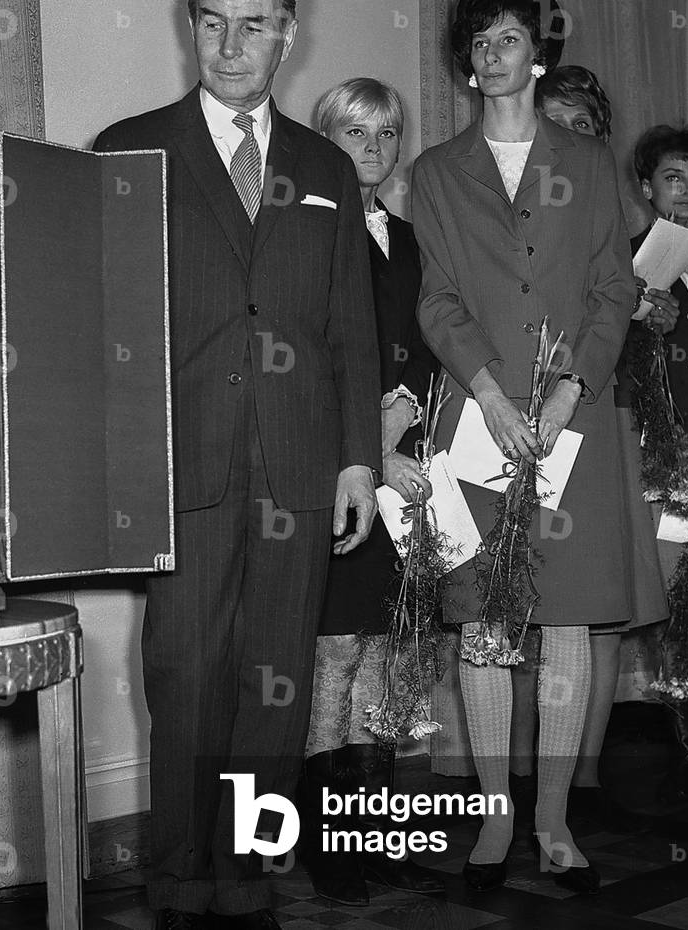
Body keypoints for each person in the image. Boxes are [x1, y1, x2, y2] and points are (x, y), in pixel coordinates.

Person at [94, 0, 383, 929]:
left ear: (288, 35)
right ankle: (179, 884)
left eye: (254, 24)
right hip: (182, 466)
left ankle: (248, 878)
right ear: (191, 24)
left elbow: (350, 326)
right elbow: (98, 328)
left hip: (300, 466)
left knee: (276, 687)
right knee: (185, 682)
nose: (230, 43)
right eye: (212, 20)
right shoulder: (129, 151)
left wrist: (355, 458)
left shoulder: (328, 168)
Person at [412, 0, 636, 894]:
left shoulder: (585, 165)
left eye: (508, 37)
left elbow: (612, 288)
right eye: (478, 42)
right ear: (465, 64)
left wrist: (566, 387)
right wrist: (496, 397)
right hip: (478, 419)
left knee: (568, 623)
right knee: (488, 626)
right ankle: (495, 828)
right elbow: (438, 298)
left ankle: (552, 825)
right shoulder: (434, 171)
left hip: (571, 422)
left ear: (535, 53)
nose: (492, 54)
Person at [515, 67, 674, 833]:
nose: (565, 140)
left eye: (580, 127)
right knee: (517, 609)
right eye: (552, 123)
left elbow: (618, 302)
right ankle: (514, 782)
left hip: (601, 413)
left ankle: (580, 780)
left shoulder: (611, 202)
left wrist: (647, 311)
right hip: (519, 415)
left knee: (598, 615)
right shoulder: (508, 200)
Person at [297, 78, 443, 905]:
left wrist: (414, 428)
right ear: (324, 140)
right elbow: (306, 363)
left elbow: (433, 343)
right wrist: (369, 449)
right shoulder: (302, 234)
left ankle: (380, 836)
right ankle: (325, 844)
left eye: (388, 132)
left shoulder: (415, 239)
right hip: (342, 478)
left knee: (391, 659)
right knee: (334, 658)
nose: (374, 147)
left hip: (412, 477)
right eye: (354, 132)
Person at [630, 123, 688, 800]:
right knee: (675, 605)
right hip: (655, 468)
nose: (685, 193)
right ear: (644, 187)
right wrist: (640, 332)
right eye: (671, 178)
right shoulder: (620, 268)